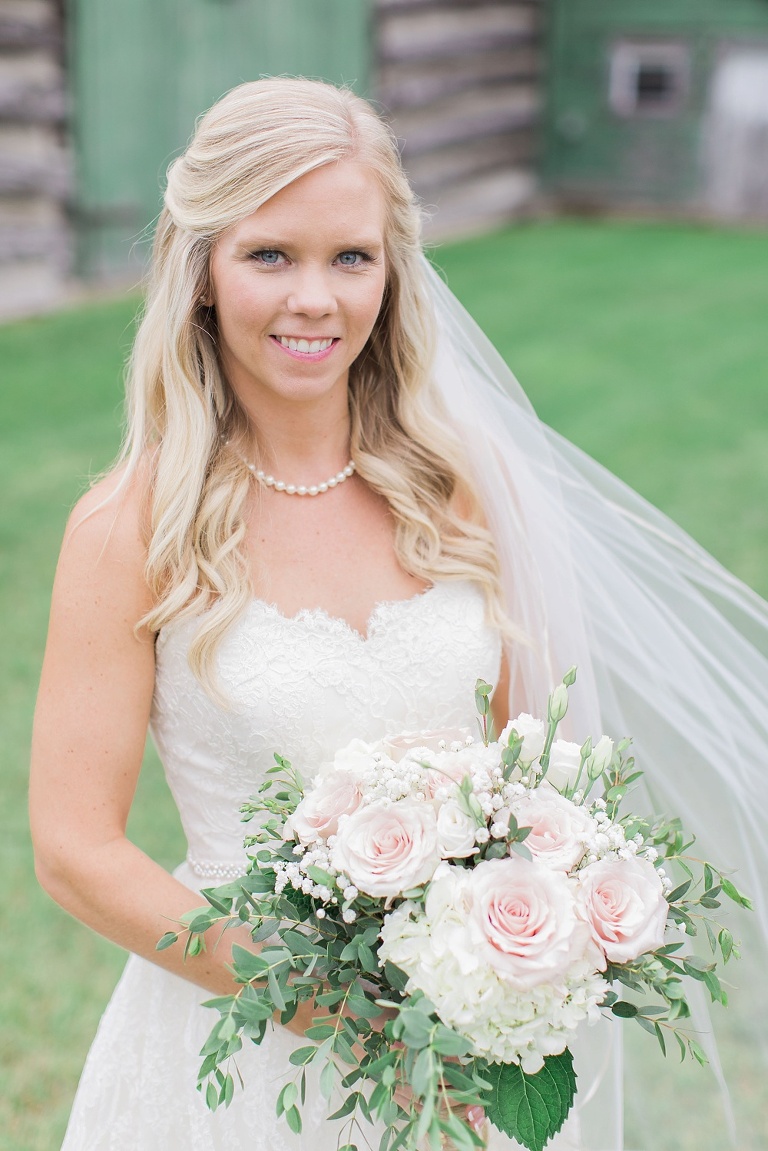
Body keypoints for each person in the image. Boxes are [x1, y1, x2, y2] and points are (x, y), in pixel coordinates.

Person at [29, 78, 768, 1151]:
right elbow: (74, 847)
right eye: (270, 255)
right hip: (238, 1050)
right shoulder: (131, 527)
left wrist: (523, 945)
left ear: (393, 268)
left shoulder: (462, 487)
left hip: (467, 1046)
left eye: (351, 258)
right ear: (199, 272)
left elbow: (542, 769)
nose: (315, 299)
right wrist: (327, 1003)